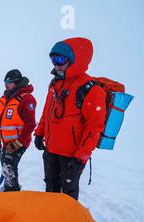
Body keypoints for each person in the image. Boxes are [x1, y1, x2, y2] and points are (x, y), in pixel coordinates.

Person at [34, 37, 106, 200]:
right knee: (51, 191)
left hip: (71, 156)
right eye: (53, 60)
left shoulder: (91, 89)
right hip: (51, 150)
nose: (56, 64)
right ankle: (51, 220)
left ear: (75, 61)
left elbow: (94, 127)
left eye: (60, 59)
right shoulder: (55, 84)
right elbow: (47, 111)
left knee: (68, 196)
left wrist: (81, 157)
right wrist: (39, 133)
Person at [0, 69, 37, 191]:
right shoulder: (4, 99)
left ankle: (11, 192)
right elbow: (1, 121)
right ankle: (11, 188)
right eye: (5, 82)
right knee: (7, 167)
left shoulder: (26, 99)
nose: (6, 84)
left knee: (9, 166)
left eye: (9, 82)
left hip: (19, 142)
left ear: (17, 83)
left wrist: (18, 143)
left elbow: (31, 124)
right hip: (6, 143)